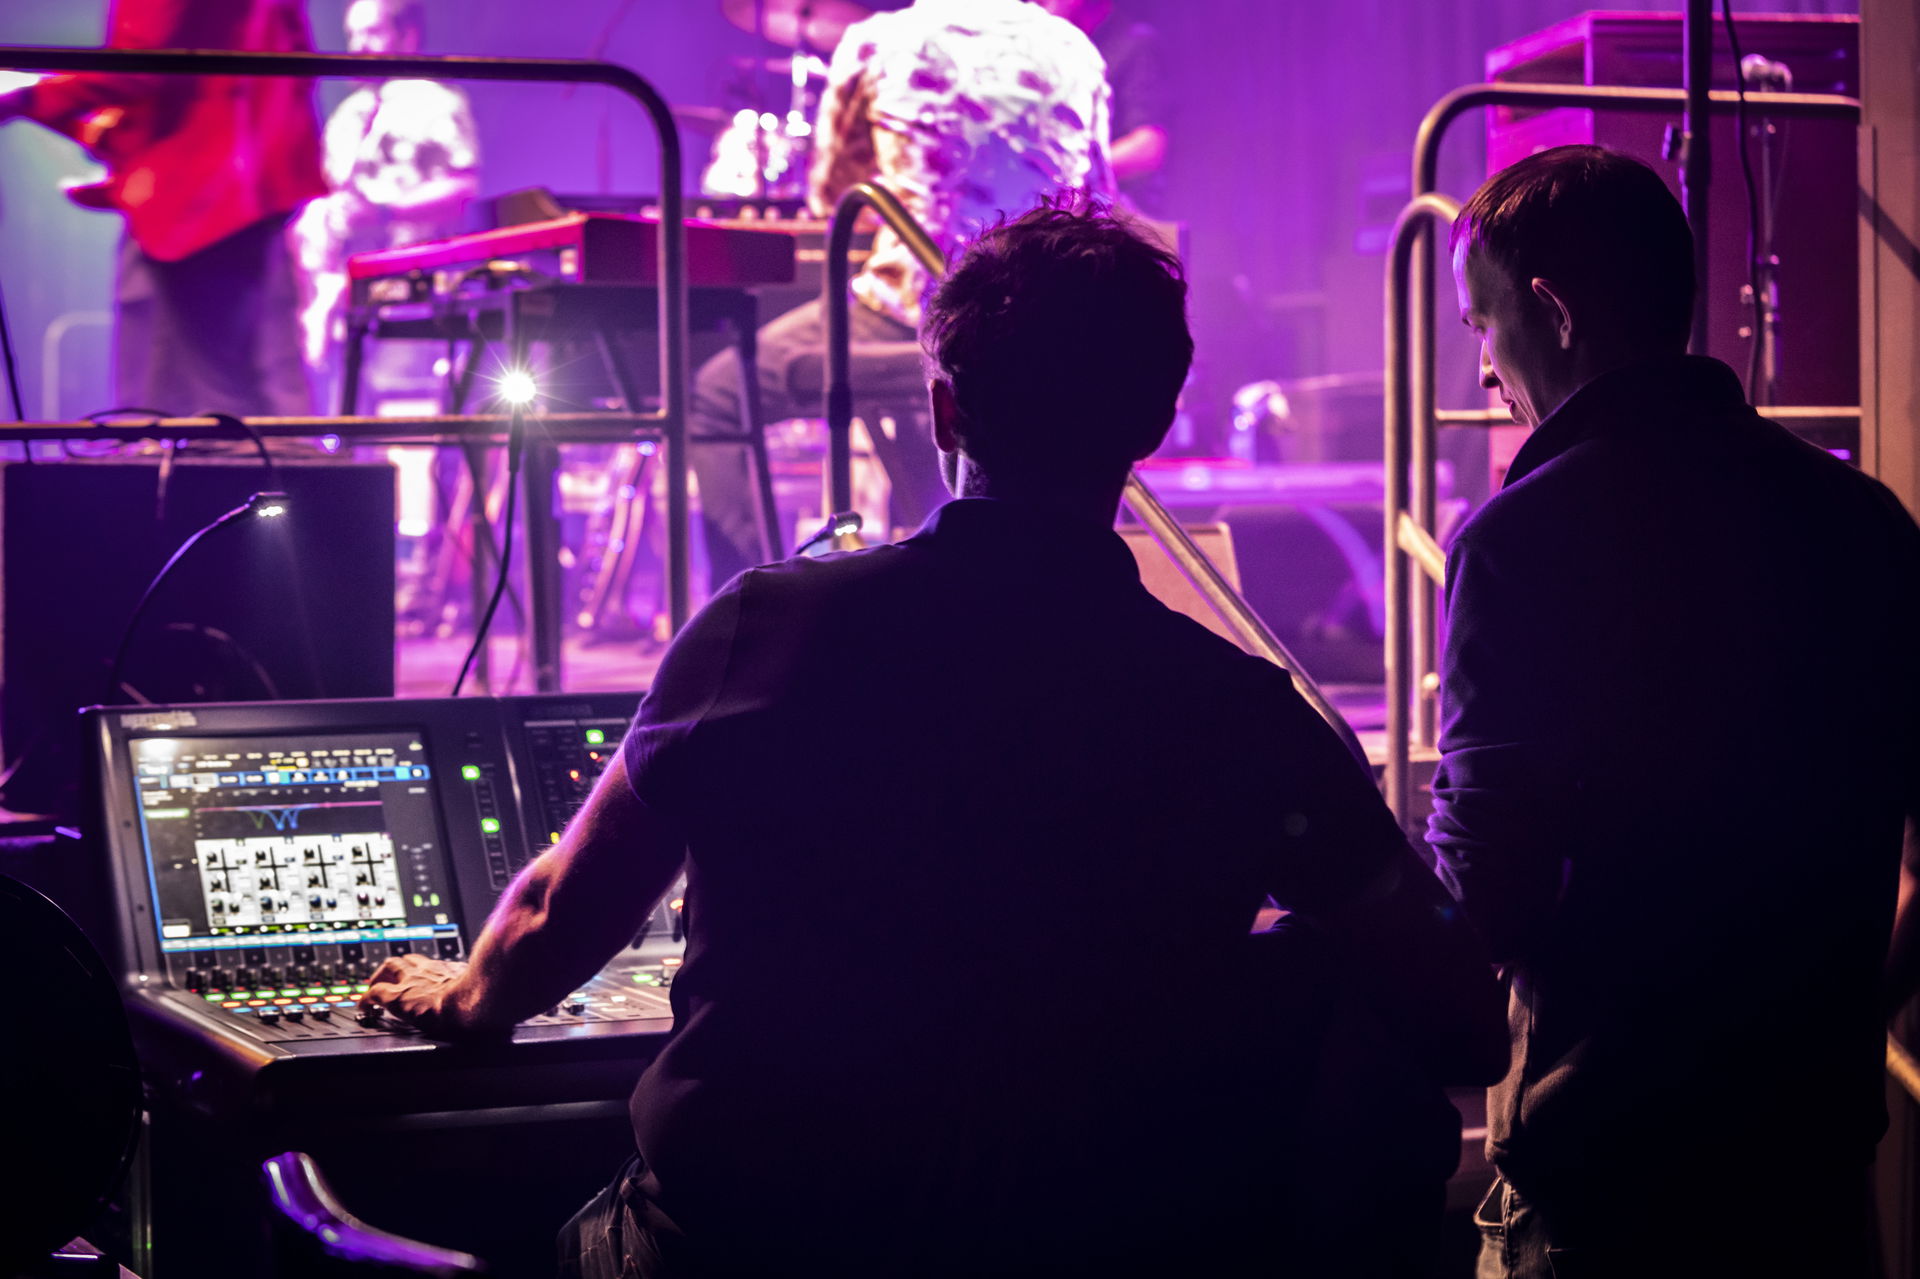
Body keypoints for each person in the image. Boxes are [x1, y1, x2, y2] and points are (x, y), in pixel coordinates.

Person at [362, 200, 1505, 1277]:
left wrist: (465, 996)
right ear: (1155, 422)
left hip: (747, 1244)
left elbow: (566, 915)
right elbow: (1456, 991)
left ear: (947, 410)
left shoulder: (768, 628)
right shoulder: (1244, 709)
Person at [1428, 144, 1920, 1277]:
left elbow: (1483, 896)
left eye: (1481, 327)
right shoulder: (1865, 520)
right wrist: (1827, 1018)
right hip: (1811, 1186)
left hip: (1611, 1195)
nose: (1485, 374)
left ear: (1548, 312)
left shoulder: (1522, 542)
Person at [687, 0, 1114, 593]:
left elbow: (832, 193)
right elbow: (1097, 196)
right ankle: (970, 586)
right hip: (1046, 315)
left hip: (921, 309)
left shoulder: (881, 42)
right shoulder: (1073, 49)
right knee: (923, 394)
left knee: (717, 393)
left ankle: (751, 611)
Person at [0, 0, 324, 418]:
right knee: (251, 383)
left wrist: (28, 94)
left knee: (198, 404)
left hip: (199, 199)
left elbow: (142, 65)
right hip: (245, 186)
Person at [290, 0, 480, 411]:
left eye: (372, 32)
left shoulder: (436, 103)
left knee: (405, 418)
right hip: (344, 304)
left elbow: (462, 188)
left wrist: (383, 212)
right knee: (343, 427)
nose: (358, 45)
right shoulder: (347, 115)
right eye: (352, 34)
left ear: (407, 35)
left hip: (411, 299)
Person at [1035, 0, 1169, 215]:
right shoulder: (1049, 48)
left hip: (1117, 217)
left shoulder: (1133, 44)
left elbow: (1148, 147)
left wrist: (1069, 177)